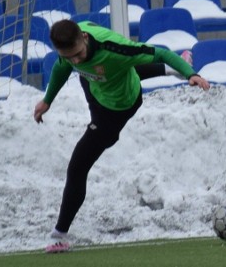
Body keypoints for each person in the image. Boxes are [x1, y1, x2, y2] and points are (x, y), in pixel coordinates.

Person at [34, 20, 210, 253]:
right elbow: (62, 67)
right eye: (69, 56)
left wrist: (191, 74)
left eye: (77, 54)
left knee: (78, 166)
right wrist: (48, 100)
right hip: (97, 89)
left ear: (84, 38)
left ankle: (59, 235)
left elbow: (163, 53)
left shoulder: (115, 49)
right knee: (98, 72)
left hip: (119, 107)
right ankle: (168, 72)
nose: (76, 60)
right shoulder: (72, 47)